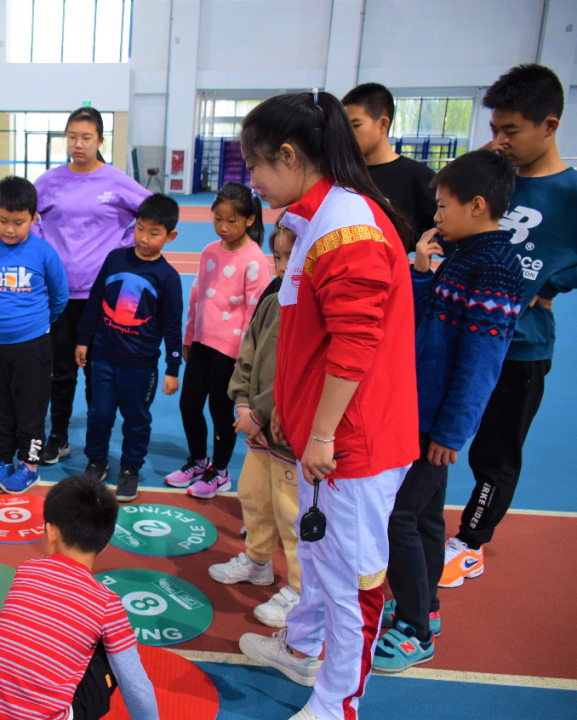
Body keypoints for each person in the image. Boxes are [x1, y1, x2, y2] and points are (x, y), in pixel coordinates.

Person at [234, 90, 419, 720]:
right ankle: (302, 647)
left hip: (350, 443)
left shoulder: (346, 227)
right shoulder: (313, 219)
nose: (252, 180)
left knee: (350, 579)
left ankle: (339, 702)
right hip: (323, 436)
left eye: (255, 165)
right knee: (314, 555)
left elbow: (355, 343)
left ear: (289, 155)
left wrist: (320, 435)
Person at [373, 150, 522, 674]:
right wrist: (420, 270)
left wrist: (451, 432)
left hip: (435, 422)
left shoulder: (495, 268)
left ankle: (415, 628)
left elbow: (482, 363)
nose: (436, 216)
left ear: (477, 205)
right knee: (426, 516)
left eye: (443, 206)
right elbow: (424, 319)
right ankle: (426, 607)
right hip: (422, 412)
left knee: (398, 516)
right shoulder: (463, 254)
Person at [442, 64, 577, 588]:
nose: (499, 140)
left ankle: (470, 543)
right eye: (494, 129)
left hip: (521, 348)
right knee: (433, 434)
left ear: (550, 125)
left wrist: (555, 282)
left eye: (511, 131)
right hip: (457, 337)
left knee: (494, 453)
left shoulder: (569, 193)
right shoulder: (492, 178)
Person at [0, 475, 159, 720]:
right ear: (103, 544)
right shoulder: (107, 602)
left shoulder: (27, 570)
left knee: (7, 624)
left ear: (50, 532)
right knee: (108, 649)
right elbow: (136, 684)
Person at [33, 107, 151, 465]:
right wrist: (42, 244)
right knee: (62, 370)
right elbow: (26, 213)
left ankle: (95, 443)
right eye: (72, 137)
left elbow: (152, 212)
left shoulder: (116, 181)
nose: (78, 144)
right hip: (59, 294)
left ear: (100, 140)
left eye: (86, 137)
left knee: (96, 372)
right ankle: (58, 435)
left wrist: (123, 247)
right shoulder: (49, 181)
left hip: (102, 296)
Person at [208, 219, 301, 629]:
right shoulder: (273, 299)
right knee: (254, 495)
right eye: (278, 257)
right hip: (258, 427)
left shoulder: (311, 310)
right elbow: (248, 353)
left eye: (292, 257)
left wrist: (259, 413)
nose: (282, 266)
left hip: (286, 431)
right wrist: (243, 402)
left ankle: (300, 589)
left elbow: (296, 374)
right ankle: (259, 561)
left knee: (291, 513)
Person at [164, 182, 270, 498]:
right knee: (189, 405)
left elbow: (255, 315)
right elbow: (197, 296)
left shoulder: (254, 259)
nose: (223, 227)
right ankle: (199, 461)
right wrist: (189, 338)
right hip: (201, 344)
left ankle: (220, 472)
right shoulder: (210, 251)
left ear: (249, 219)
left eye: (231, 221)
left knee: (220, 412)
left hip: (231, 353)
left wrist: (246, 360)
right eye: (217, 219)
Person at [75, 193, 183, 502]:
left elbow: (172, 326)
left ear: (170, 236)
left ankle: (130, 468)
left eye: (154, 233)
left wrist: (172, 368)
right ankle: (96, 461)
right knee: (99, 413)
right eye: (140, 229)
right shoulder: (115, 259)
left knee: (137, 420)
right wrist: (83, 339)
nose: (144, 238)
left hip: (141, 365)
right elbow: (95, 301)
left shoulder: (168, 277)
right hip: (103, 357)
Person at [0, 176, 68, 494]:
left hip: (32, 347)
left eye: (19, 222)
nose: (10, 229)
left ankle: (29, 466)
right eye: (3, 220)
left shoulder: (43, 252)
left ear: (34, 218)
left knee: (30, 410)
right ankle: (2, 462)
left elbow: (59, 296)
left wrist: (34, 325)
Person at [343, 82, 437, 252]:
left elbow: (438, 237)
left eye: (356, 126)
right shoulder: (345, 176)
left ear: (382, 125)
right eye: (345, 127)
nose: (348, 134)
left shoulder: (419, 178)